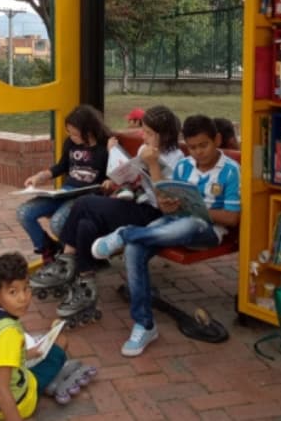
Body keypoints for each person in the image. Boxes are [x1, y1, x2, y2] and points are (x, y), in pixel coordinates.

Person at [90, 114, 241, 356]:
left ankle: (125, 233)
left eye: (204, 145)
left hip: (207, 231)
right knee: (134, 249)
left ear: (218, 139)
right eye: (192, 148)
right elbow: (168, 202)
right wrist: (168, 204)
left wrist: (199, 211)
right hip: (173, 222)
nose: (198, 152)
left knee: (191, 223)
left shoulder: (232, 171)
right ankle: (144, 325)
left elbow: (233, 218)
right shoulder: (184, 165)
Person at [31, 106, 184, 325]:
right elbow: (137, 179)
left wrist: (152, 164)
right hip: (134, 201)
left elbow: (165, 201)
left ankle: (66, 260)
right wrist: (121, 178)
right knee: (85, 224)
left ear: (164, 135)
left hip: (152, 213)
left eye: (149, 133)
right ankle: (85, 285)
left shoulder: (176, 159)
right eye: (144, 131)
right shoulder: (145, 149)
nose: (143, 135)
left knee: (85, 204)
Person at [0, 252, 95, 420]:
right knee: (61, 341)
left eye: (26, 288)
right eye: (13, 292)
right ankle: (45, 383)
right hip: (13, 404)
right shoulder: (8, 334)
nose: (23, 298)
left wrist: (28, 353)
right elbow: (2, 391)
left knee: (36, 349)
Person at [16, 105, 110, 263]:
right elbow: (61, 167)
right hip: (65, 191)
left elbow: (113, 173)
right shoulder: (70, 143)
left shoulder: (105, 147)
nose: (71, 136)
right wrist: (40, 177)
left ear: (89, 130)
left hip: (86, 197)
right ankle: (48, 248)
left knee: (58, 222)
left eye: (75, 133)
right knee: (24, 212)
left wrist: (109, 181)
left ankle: (80, 256)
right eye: (69, 132)